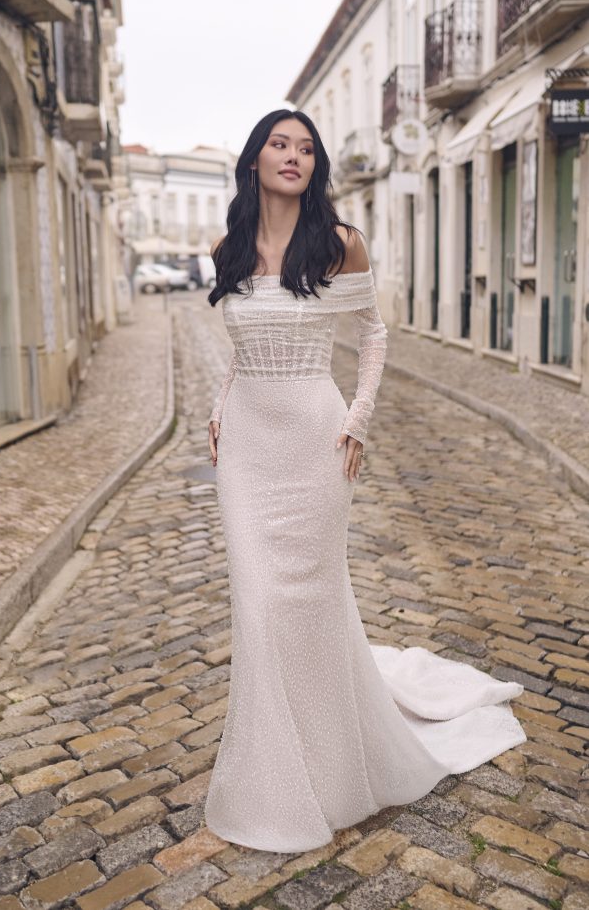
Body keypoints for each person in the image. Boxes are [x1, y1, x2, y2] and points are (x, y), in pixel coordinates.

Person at [203, 109, 526, 854]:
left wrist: (359, 419)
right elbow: (242, 344)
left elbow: (374, 335)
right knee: (257, 604)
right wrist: (220, 408)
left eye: (306, 148)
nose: (294, 157)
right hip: (248, 449)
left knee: (311, 603)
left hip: (317, 443)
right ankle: (269, 778)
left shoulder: (339, 244)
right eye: (280, 145)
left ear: (315, 166)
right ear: (254, 160)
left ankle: (335, 757)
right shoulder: (226, 247)